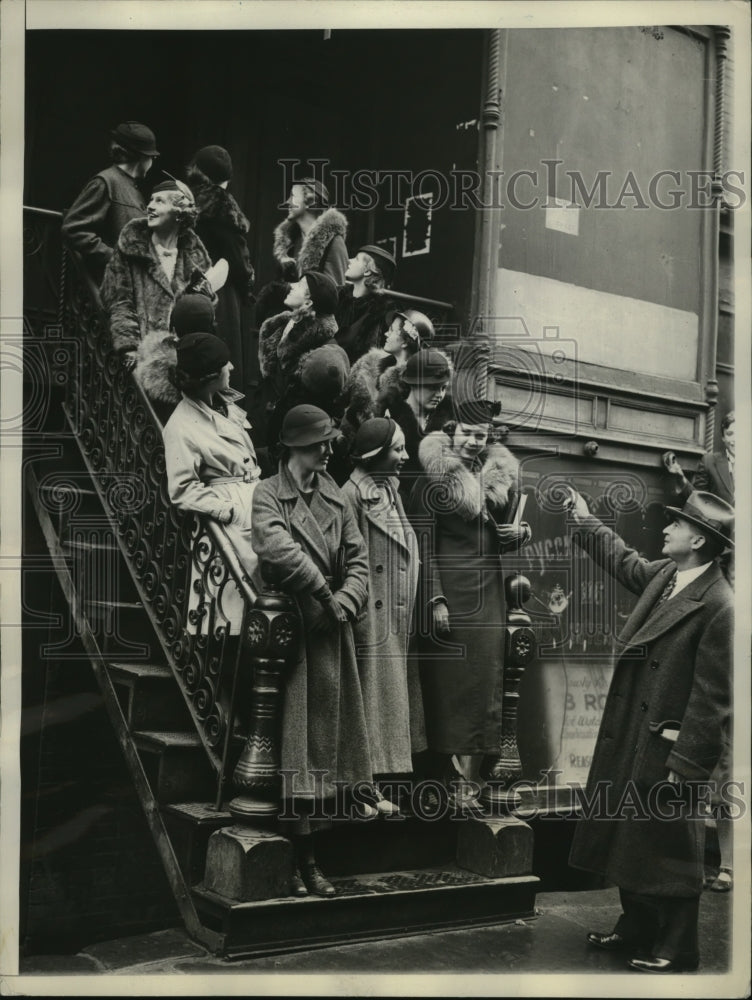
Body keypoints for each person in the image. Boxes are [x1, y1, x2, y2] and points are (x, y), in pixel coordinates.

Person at [566, 488, 733, 973]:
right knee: (628, 834)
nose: (665, 529)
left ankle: (679, 947)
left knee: (668, 845)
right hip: (634, 733)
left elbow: (714, 696)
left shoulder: (721, 604)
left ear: (698, 539)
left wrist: (689, 762)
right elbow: (624, 562)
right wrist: (583, 519)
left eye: (676, 524)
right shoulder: (668, 575)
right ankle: (636, 926)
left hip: (668, 745)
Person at [251, 404, 373, 897]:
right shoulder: (267, 493)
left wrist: (345, 600)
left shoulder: (338, 499)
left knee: (322, 747)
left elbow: (360, 560)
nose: (329, 449)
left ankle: (312, 858)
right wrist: (325, 593)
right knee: (292, 745)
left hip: (329, 633)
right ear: (296, 445)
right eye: (321, 442)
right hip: (285, 635)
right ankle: (301, 858)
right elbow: (277, 548)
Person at [407, 401, 531, 806]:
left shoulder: (495, 477)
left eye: (482, 435)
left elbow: (503, 529)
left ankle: (470, 777)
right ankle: (447, 777)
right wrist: (435, 598)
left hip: (488, 592)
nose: (475, 442)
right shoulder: (431, 479)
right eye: (468, 434)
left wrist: (520, 532)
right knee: (449, 684)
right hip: (452, 594)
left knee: (484, 681)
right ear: (452, 431)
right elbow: (420, 544)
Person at [341, 418, 423, 814]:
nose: (405, 456)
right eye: (398, 449)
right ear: (375, 455)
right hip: (369, 617)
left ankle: (372, 785)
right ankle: (359, 789)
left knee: (381, 704)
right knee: (366, 706)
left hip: (391, 615)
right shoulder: (352, 495)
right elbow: (349, 561)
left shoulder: (388, 489)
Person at [162, 333, 262, 631]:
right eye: (224, 364)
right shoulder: (181, 426)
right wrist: (226, 510)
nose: (231, 366)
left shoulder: (224, 404)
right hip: (228, 519)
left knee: (260, 605)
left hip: (253, 507)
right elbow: (181, 489)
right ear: (210, 376)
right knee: (230, 608)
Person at [101, 178, 215, 363]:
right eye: (151, 200)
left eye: (159, 201)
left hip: (178, 363)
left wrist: (205, 296)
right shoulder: (131, 248)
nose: (150, 207)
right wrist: (129, 347)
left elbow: (201, 316)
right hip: (136, 359)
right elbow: (119, 301)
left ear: (179, 213)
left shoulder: (196, 258)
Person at [186, 145, 255, 391]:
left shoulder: (186, 198)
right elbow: (237, 258)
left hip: (188, 285)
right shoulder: (222, 204)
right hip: (221, 292)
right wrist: (248, 283)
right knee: (222, 359)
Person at [62, 121, 159, 284]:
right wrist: (116, 258)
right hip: (112, 286)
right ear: (141, 157)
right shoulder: (106, 182)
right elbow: (73, 229)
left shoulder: (131, 187)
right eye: (152, 157)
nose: (152, 163)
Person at [258, 270, 349, 444]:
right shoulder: (281, 325)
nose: (291, 286)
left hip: (289, 434)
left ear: (307, 303)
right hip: (265, 420)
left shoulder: (323, 351)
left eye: (299, 286)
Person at [376, 347, 454, 504]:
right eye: (432, 387)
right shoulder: (387, 416)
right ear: (413, 383)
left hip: (437, 505)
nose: (439, 395)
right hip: (392, 502)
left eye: (443, 388)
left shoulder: (451, 419)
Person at [335, 245, 396, 364]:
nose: (349, 260)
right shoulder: (337, 296)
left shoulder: (381, 311)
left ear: (367, 271)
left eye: (357, 259)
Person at [663, 411, 735, 505]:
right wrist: (680, 477)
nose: (736, 439)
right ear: (723, 437)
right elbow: (698, 501)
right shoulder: (709, 462)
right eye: (730, 434)